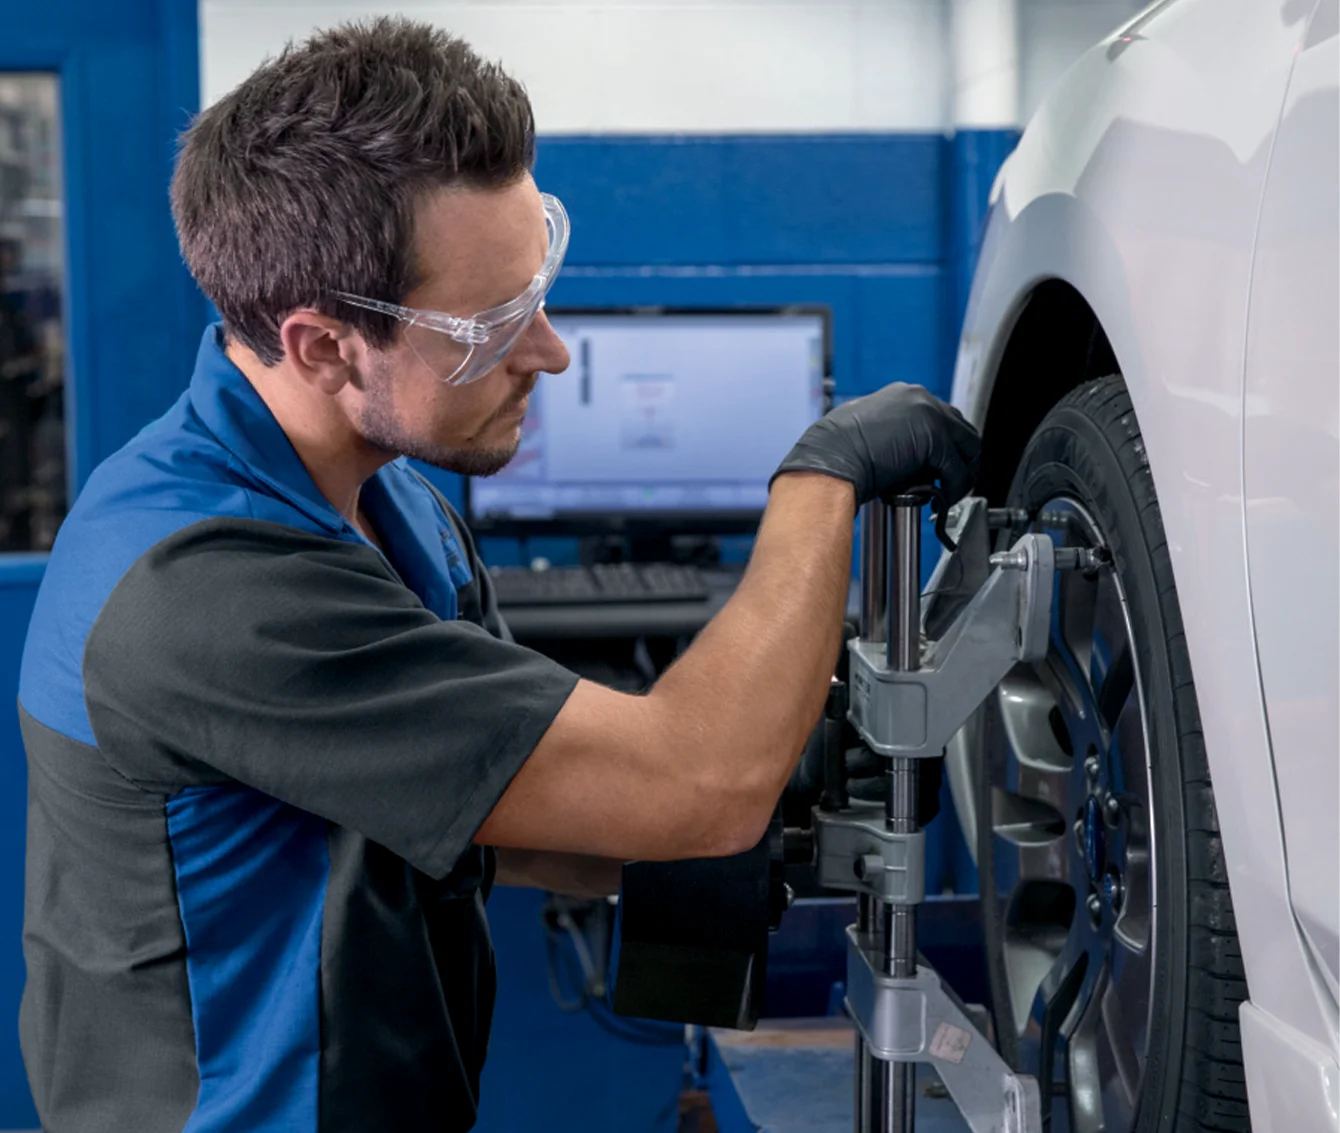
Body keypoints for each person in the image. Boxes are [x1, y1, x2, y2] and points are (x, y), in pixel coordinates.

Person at [15, 18, 980, 1133]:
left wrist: (751, 812)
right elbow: (694, 783)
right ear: (323, 344)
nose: (551, 350)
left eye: (538, 286)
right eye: (491, 322)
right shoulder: (206, 586)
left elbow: (492, 809)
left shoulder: (394, 505)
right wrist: (822, 477)